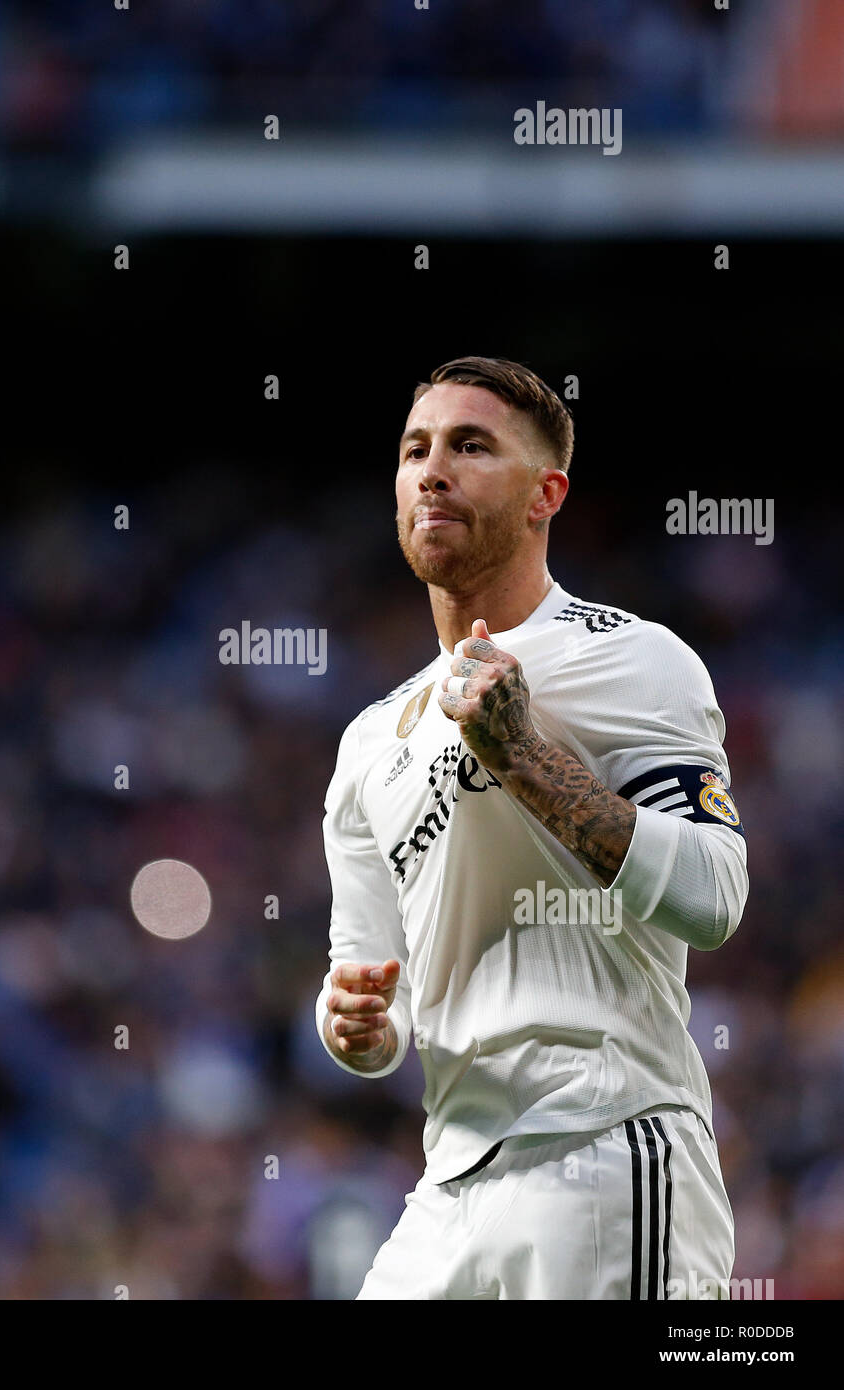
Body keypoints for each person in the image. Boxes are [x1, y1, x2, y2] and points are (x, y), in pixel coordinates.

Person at [316, 356, 748, 1300]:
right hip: (448, 1184)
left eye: (472, 446)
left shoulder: (632, 657)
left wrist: (525, 760)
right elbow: (367, 981)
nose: (434, 470)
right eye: (415, 449)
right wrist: (351, 1023)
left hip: (604, 1149)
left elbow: (714, 897)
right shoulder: (364, 748)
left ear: (546, 493)